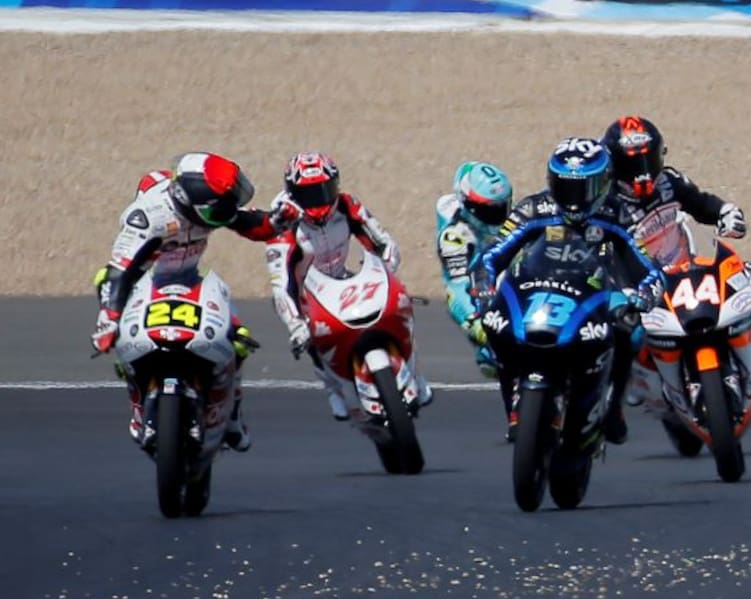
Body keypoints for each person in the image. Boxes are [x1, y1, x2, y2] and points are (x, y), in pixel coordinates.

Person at [90, 152, 294, 452]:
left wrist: (278, 220)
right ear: (192, 203)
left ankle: (232, 415)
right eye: (220, 209)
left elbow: (251, 223)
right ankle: (138, 406)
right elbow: (118, 271)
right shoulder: (148, 218)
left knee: (237, 339)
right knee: (122, 340)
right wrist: (109, 319)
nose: (225, 214)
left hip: (189, 278)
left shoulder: (209, 205)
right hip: (142, 282)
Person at [477, 138, 662, 444]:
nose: (574, 199)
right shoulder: (533, 208)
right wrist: (484, 285)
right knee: (493, 324)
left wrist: (646, 293)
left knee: (631, 330)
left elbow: (649, 267)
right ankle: (514, 403)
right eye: (565, 187)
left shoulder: (617, 214)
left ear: (604, 184)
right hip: (536, 288)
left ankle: (612, 406)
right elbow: (492, 254)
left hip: (596, 293)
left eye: (584, 188)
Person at [601, 116, 751, 405]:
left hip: (689, 272)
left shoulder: (670, 182)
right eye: (631, 166)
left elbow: (703, 204)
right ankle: (623, 386)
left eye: (648, 162)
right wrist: (623, 288)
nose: (643, 175)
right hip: (644, 286)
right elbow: (602, 254)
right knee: (618, 324)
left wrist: (726, 213)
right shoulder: (606, 204)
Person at [266, 151, 431, 420]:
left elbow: (384, 242)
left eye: (324, 190)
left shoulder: (347, 205)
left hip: (343, 279)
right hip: (306, 293)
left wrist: (386, 275)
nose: (319, 200)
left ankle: (416, 375)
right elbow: (281, 283)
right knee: (309, 337)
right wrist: (296, 325)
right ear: (293, 195)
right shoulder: (281, 225)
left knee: (400, 309)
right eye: (309, 194)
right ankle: (334, 389)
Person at [435, 162, 514, 380]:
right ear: (468, 206)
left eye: (502, 206)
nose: (498, 214)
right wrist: (478, 325)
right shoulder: (455, 237)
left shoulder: (513, 218)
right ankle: (489, 347)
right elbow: (456, 289)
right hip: (480, 289)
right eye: (489, 210)